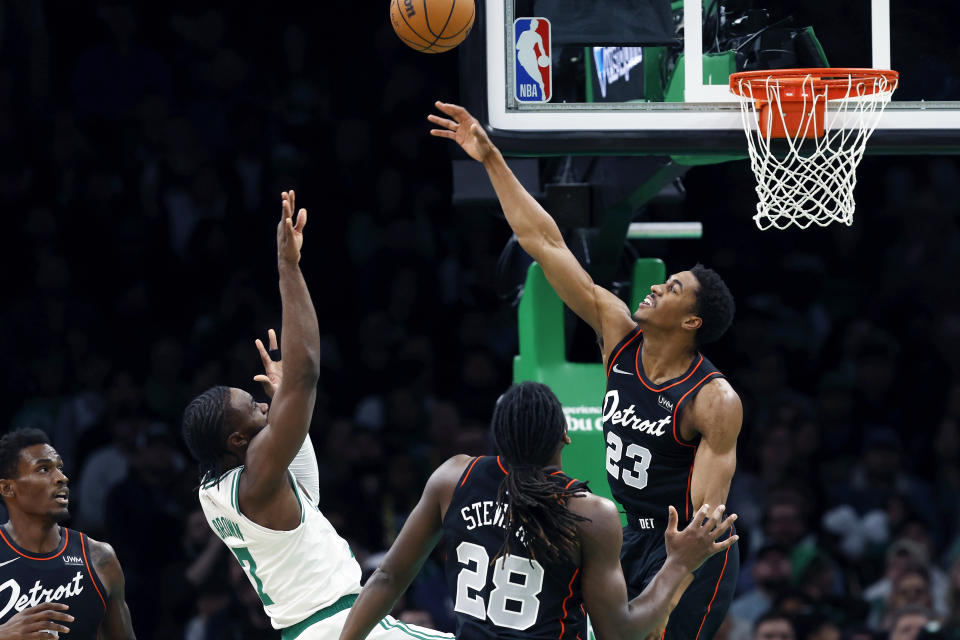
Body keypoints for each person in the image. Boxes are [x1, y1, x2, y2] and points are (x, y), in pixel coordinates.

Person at [427, 101, 742, 638]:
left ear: (691, 320)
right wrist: (490, 157)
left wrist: (679, 565)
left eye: (672, 288)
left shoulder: (713, 399)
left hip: (684, 547)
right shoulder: (618, 335)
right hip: (630, 534)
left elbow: (705, 518)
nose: (656, 286)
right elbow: (545, 243)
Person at [181, 190, 451, 640]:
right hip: (339, 623)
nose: (262, 403)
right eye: (252, 406)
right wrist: (289, 267)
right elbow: (307, 373)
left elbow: (308, 491)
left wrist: (285, 400)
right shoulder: (258, 474)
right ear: (235, 442)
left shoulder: (217, 491)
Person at [338, 381, 738, 640]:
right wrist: (679, 563)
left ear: (498, 438)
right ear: (565, 436)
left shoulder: (452, 477)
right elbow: (619, 633)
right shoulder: (591, 513)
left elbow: (388, 577)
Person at [0, 427, 136, 639]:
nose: (61, 477)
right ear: (8, 488)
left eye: (60, 468)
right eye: (44, 469)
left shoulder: (100, 558)